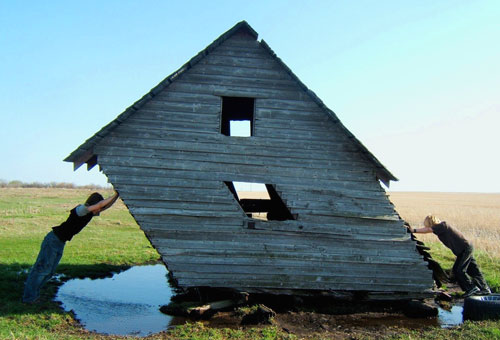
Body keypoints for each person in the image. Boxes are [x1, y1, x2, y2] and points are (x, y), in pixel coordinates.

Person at [22, 191, 120, 303]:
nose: (99, 211)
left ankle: (34, 295)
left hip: (59, 242)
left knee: (49, 271)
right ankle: (29, 298)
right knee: (41, 270)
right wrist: (115, 194)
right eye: (99, 207)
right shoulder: (81, 210)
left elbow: (104, 206)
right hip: (53, 240)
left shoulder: (90, 212)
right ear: (93, 203)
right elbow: (100, 205)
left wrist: (117, 195)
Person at [411, 215, 491, 298]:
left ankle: (471, 288)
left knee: (458, 270)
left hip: (464, 249)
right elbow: (429, 229)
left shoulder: (442, 225)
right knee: (473, 270)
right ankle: (484, 289)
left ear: (430, 222)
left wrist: (413, 230)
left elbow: (428, 229)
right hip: (464, 249)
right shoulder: (441, 228)